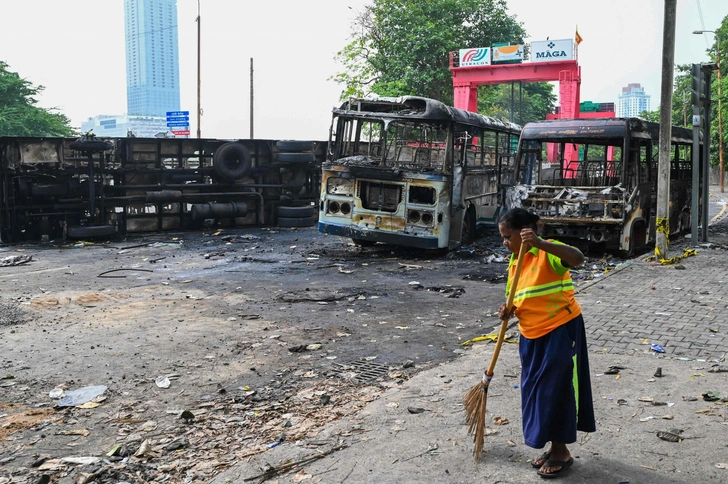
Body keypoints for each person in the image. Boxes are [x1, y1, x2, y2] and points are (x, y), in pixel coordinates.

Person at [497, 208, 596, 479]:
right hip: (530, 334)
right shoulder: (515, 262)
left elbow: (578, 259)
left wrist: (540, 244)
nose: (505, 243)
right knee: (534, 390)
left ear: (524, 232)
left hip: (560, 329)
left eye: (508, 237)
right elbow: (516, 296)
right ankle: (550, 446)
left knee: (556, 389)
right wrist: (508, 309)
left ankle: (561, 451)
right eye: (503, 238)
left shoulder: (548, 252)